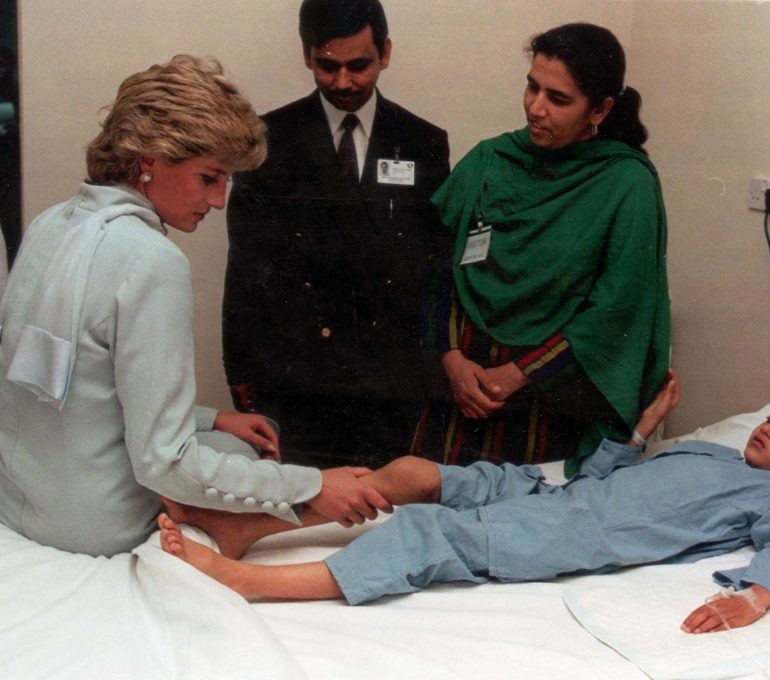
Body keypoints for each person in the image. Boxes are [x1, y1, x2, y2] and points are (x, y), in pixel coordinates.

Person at [0, 55, 390, 558]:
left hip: (19, 503)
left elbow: (74, 382)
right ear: (149, 162)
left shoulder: (51, 223)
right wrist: (313, 485)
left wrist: (210, 418)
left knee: (227, 438)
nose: (221, 200)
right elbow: (166, 464)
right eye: (209, 178)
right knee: (246, 454)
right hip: (97, 528)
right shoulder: (151, 259)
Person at [159, 378, 770, 633]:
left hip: (571, 533)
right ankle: (250, 527)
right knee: (414, 474)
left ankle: (248, 581)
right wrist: (644, 428)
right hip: (557, 491)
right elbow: (611, 472)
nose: (769, 429)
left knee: (432, 536)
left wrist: (756, 598)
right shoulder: (715, 452)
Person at [411, 23, 670, 475]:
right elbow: (438, 265)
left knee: (523, 524)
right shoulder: (490, 160)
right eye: (532, 87)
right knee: (427, 508)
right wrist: (452, 360)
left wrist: (516, 375)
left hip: (550, 402)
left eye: (558, 98)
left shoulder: (626, 184)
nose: (536, 108)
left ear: (601, 108)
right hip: (460, 393)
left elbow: (614, 311)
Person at [223, 0, 451, 469]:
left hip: (392, 384)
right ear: (307, 55)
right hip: (298, 380)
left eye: (358, 65)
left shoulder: (423, 141)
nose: (343, 82)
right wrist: (241, 372)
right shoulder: (266, 139)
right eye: (328, 66)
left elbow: (435, 269)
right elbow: (245, 268)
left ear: (385, 52)